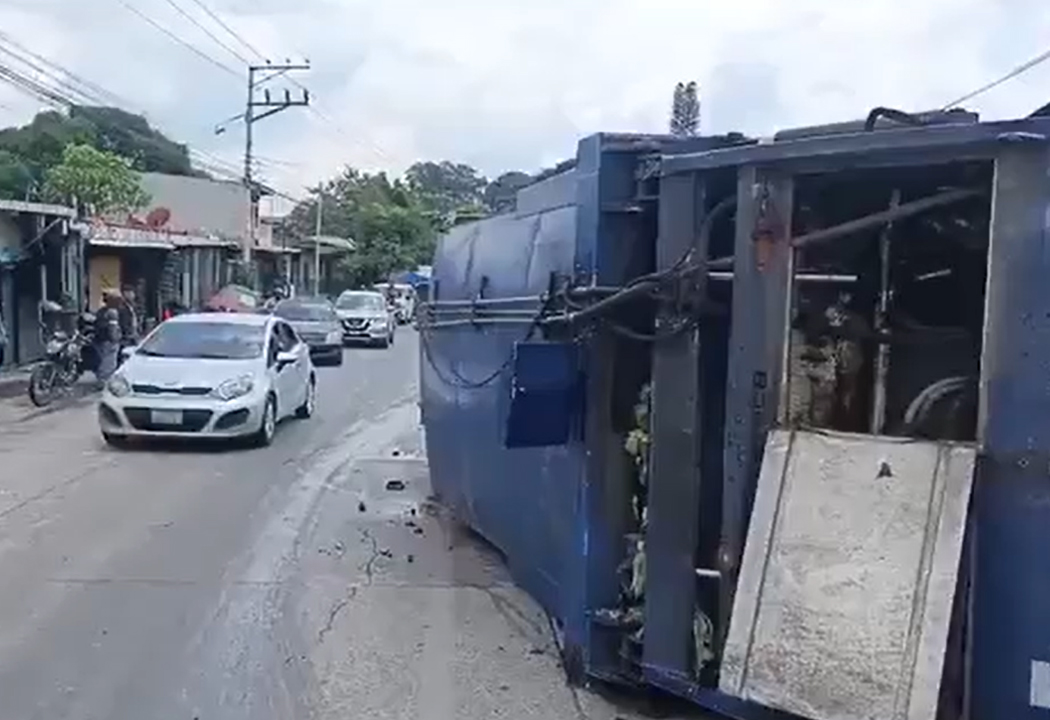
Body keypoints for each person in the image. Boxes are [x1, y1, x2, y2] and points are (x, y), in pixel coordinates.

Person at [94, 289, 123, 381]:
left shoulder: (101, 311)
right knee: (109, 362)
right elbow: (112, 329)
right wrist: (115, 339)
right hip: (109, 341)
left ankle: (101, 379)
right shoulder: (112, 312)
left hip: (100, 340)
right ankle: (105, 381)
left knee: (103, 361)